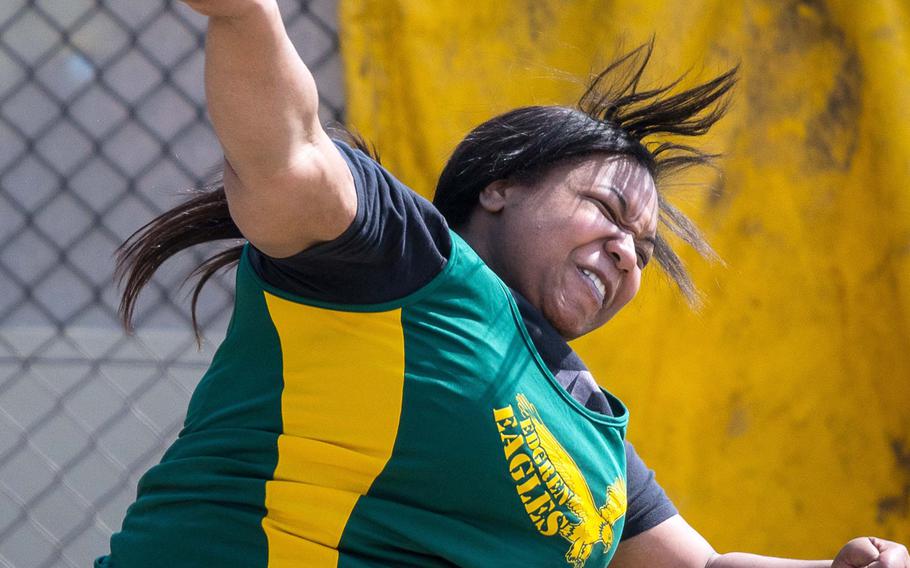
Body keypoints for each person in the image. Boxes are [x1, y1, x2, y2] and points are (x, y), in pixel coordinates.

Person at [97, 1, 910, 567]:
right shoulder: (402, 262)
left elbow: (697, 567)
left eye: (642, 246)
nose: (627, 251)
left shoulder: (595, 435)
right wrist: (247, 16)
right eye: (605, 209)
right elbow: (289, 154)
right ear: (501, 186)